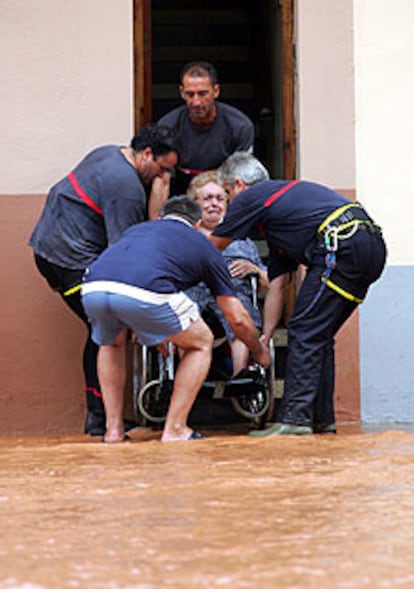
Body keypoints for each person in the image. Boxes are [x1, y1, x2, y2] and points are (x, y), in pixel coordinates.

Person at [210, 152, 387, 436]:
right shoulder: (281, 217)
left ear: (239, 184)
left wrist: (178, 265)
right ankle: (321, 419)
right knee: (318, 333)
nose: (230, 201)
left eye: (227, 193)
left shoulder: (251, 197)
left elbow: (213, 247)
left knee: (305, 329)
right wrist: (266, 336)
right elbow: (279, 284)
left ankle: (295, 418)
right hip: (368, 246)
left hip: (341, 243)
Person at [29, 124, 181, 436]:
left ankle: (99, 417)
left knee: (104, 329)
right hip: (69, 260)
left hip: (50, 251)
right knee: (110, 331)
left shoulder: (109, 152)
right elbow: (128, 254)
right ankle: (99, 419)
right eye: (162, 170)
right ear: (147, 154)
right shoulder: (125, 186)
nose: (163, 178)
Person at [80, 195, 270, 443]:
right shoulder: (203, 245)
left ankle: (113, 431)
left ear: (161, 217)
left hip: (93, 286)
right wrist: (258, 351)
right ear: (197, 224)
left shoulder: (138, 230)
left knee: (111, 344)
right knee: (201, 341)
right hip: (145, 291)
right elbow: (237, 318)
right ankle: (176, 428)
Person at [186, 171, 269, 375]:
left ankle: (240, 378)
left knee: (241, 313)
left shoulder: (242, 240)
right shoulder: (184, 236)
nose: (214, 203)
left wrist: (256, 270)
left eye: (219, 198)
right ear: (195, 204)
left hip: (233, 293)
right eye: (207, 199)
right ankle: (184, 377)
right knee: (182, 313)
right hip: (193, 293)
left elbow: (268, 282)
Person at [148, 61, 254, 220]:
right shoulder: (168, 125)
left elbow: (241, 181)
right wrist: (156, 227)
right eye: (190, 94)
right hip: (181, 194)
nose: (196, 102)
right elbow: (162, 179)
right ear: (182, 93)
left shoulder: (239, 126)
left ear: (216, 91)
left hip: (222, 194)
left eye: (203, 94)